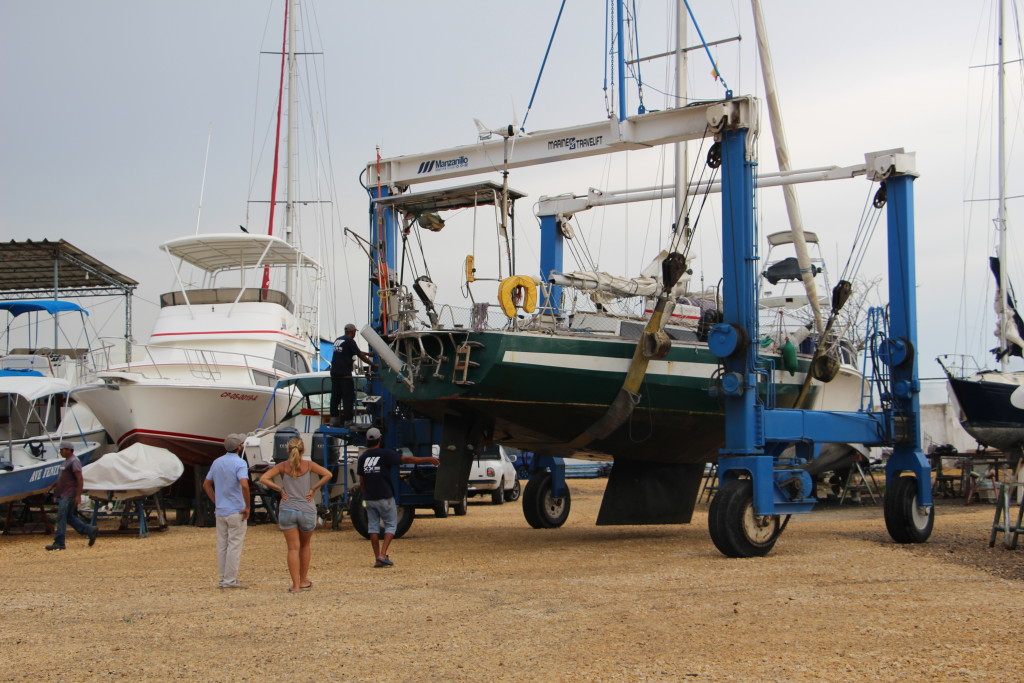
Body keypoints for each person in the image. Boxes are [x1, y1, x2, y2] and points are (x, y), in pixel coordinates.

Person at [355, 427, 440, 568]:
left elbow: (362, 480)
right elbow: (407, 458)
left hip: (369, 497)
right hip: (385, 496)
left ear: (367, 441)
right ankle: (383, 554)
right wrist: (428, 459)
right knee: (390, 525)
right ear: (380, 440)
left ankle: (377, 558)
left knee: (373, 528)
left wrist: (365, 494)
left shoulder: (363, 457)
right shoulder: (385, 454)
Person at [259, 437, 333, 593]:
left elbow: (263, 478)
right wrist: (313, 489)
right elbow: (328, 474)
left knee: (293, 548)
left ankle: (295, 585)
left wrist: (279, 489)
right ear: (303, 451)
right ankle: (304, 579)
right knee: (305, 546)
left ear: (287, 451)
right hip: (306, 508)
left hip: (287, 508)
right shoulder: (308, 465)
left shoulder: (283, 466)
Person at [202, 434, 251, 589]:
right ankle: (230, 580)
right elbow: (244, 484)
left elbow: (206, 484)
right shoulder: (240, 463)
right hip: (236, 509)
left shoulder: (217, 462)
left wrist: (216, 501)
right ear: (239, 447)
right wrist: (248, 506)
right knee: (234, 545)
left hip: (221, 509)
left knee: (222, 545)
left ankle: (224, 578)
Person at [45, 442, 98, 551]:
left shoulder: (74, 461)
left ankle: (59, 542)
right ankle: (89, 530)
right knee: (68, 517)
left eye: (62, 449)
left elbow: (79, 479)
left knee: (61, 517)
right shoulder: (66, 462)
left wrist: (78, 495)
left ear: (69, 450)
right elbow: (62, 478)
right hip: (63, 493)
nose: (61, 452)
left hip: (69, 494)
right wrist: (52, 486)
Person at [329, 323, 376, 426]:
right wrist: (373, 364)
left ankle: (333, 419)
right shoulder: (350, 341)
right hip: (344, 374)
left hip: (334, 373)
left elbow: (354, 351)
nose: (355, 334)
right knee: (348, 397)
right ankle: (348, 421)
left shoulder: (338, 340)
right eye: (355, 332)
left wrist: (368, 354)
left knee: (335, 396)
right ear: (352, 332)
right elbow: (359, 355)